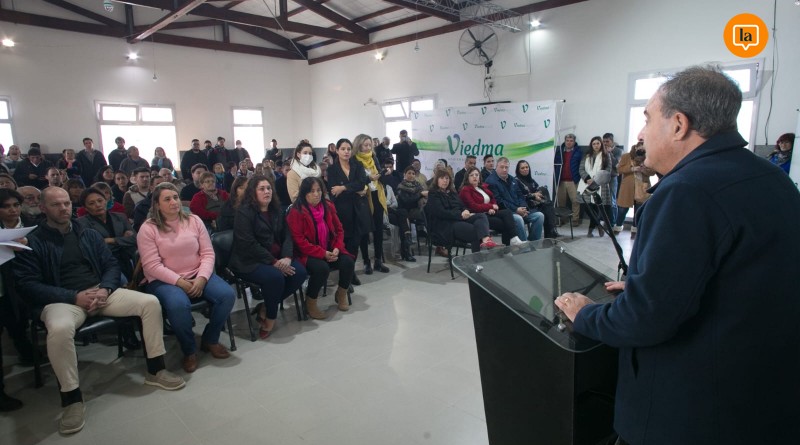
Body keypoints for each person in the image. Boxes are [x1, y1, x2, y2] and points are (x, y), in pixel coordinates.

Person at [556, 66, 800, 445]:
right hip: (760, 400)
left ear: (679, 125)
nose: (640, 134)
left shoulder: (685, 191)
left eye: (647, 119)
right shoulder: (770, 177)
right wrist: (649, 285)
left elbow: (646, 319)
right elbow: (736, 279)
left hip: (692, 413)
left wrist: (587, 314)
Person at [15, 187, 186, 434]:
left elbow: (110, 264)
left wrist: (105, 288)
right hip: (63, 300)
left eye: (66, 203)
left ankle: (156, 369)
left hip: (100, 291)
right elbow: (28, 284)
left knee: (149, 303)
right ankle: (72, 399)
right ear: (43, 208)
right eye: (56, 205)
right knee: (60, 328)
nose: (63, 208)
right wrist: (74, 296)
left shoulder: (87, 233)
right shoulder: (32, 240)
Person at [137, 182, 236, 373]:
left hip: (197, 273)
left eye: (175, 197)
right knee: (178, 306)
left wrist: (201, 278)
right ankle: (189, 350)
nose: (174, 202)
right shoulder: (148, 228)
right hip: (165, 280)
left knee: (227, 295)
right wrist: (179, 282)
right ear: (157, 205)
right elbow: (152, 266)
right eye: (167, 199)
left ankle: (210, 339)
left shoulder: (194, 220)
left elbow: (208, 253)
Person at [229, 175, 307, 337]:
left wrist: (287, 257)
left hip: (277, 257)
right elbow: (248, 244)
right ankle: (271, 317)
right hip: (250, 261)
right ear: (253, 192)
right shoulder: (244, 212)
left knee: (300, 272)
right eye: (262, 189)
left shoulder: (276, 209)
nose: (267, 191)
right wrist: (274, 262)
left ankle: (265, 306)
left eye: (269, 188)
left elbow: (287, 236)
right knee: (275, 278)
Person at [288, 176, 355, 316]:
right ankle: (310, 302)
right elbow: (299, 241)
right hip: (307, 253)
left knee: (348, 261)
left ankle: (341, 293)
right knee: (322, 268)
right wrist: (322, 253)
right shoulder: (296, 211)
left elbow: (339, 230)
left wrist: (337, 248)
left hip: (329, 248)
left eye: (319, 190)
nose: (316, 194)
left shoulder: (328, 206)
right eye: (312, 191)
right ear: (304, 193)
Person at [327, 138, 371, 286]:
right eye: (343, 149)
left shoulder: (357, 165)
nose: (346, 152)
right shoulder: (332, 169)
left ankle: (350, 273)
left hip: (358, 209)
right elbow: (333, 191)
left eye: (348, 149)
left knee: (355, 243)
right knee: (344, 244)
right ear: (337, 151)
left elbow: (362, 183)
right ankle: (345, 276)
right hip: (342, 211)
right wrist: (353, 189)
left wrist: (344, 187)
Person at [425, 169, 498, 253]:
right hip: (445, 225)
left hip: (459, 218)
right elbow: (441, 213)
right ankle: (477, 258)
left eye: (447, 178)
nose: (445, 181)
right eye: (442, 178)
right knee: (474, 230)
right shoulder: (433, 193)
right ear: (436, 180)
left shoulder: (452, 192)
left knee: (481, 216)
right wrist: (460, 215)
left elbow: (462, 205)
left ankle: (486, 239)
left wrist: (465, 210)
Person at [76, 186, 136, 279]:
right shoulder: (82, 223)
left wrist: (111, 240)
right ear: (86, 208)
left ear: (106, 201)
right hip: (104, 263)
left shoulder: (120, 217)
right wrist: (123, 239)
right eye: (91, 203)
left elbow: (135, 238)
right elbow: (94, 248)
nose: (98, 205)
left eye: (100, 200)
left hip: (127, 257)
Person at [354, 134, 390, 274]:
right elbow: (356, 180)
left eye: (370, 145)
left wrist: (383, 173)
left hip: (377, 195)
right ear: (359, 145)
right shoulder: (354, 160)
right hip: (363, 197)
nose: (368, 147)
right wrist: (368, 178)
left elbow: (379, 174)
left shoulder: (373, 157)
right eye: (365, 145)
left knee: (378, 230)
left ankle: (378, 261)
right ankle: (366, 261)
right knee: (364, 231)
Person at [485, 157, 544, 241]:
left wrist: (524, 208)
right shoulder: (491, 181)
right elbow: (499, 202)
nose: (504, 170)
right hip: (506, 212)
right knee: (518, 219)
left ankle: (533, 242)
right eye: (502, 167)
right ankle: (524, 246)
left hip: (520, 209)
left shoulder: (512, 179)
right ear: (496, 167)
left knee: (539, 216)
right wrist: (516, 210)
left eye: (506, 167)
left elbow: (520, 195)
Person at [459, 167, 522, 246]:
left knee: (507, 212)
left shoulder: (482, 187)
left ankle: (514, 238)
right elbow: (474, 206)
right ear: (467, 178)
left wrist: (492, 209)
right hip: (478, 216)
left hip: (488, 213)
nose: (475, 177)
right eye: (472, 175)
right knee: (505, 223)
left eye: (476, 175)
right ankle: (507, 247)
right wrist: (490, 206)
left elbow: (493, 200)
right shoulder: (466, 189)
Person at [614, 142, 655, 237]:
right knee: (622, 209)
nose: (641, 151)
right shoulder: (626, 156)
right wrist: (632, 169)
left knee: (638, 210)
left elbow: (653, 172)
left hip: (642, 187)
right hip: (627, 187)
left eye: (644, 149)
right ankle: (618, 227)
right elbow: (619, 169)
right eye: (640, 149)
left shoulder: (649, 157)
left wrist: (644, 169)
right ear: (636, 147)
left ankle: (635, 231)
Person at [576, 136, 613, 237]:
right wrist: (587, 178)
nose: (596, 146)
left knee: (597, 207)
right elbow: (581, 169)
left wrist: (595, 179)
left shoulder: (606, 155)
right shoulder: (587, 155)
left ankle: (590, 229)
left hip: (600, 184)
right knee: (587, 207)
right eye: (594, 144)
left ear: (601, 144)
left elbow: (608, 170)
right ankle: (599, 225)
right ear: (591, 145)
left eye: (598, 143)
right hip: (586, 184)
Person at [515, 160, 559, 238]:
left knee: (548, 205)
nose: (525, 169)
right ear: (518, 170)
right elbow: (520, 196)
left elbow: (537, 189)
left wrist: (538, 194)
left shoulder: (530, 180)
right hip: (525, 206)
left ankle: (550, 233)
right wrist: (533, 195)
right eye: (522, 168)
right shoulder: (516, 181)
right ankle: (550, 233)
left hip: (535, 204)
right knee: (547, 209)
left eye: (527, 167)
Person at [554, 133, 583, 226]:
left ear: (574, 142)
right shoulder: (559, 151)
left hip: (573, 181)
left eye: (571, 141)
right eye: (567, 140)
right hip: (561, 181)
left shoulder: (578, 152)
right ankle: (562, 219)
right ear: (565, 141)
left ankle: (575, 220)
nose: (569, 142)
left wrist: (579, 177)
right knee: (561, 202)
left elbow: (581, 166)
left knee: (575, 201)